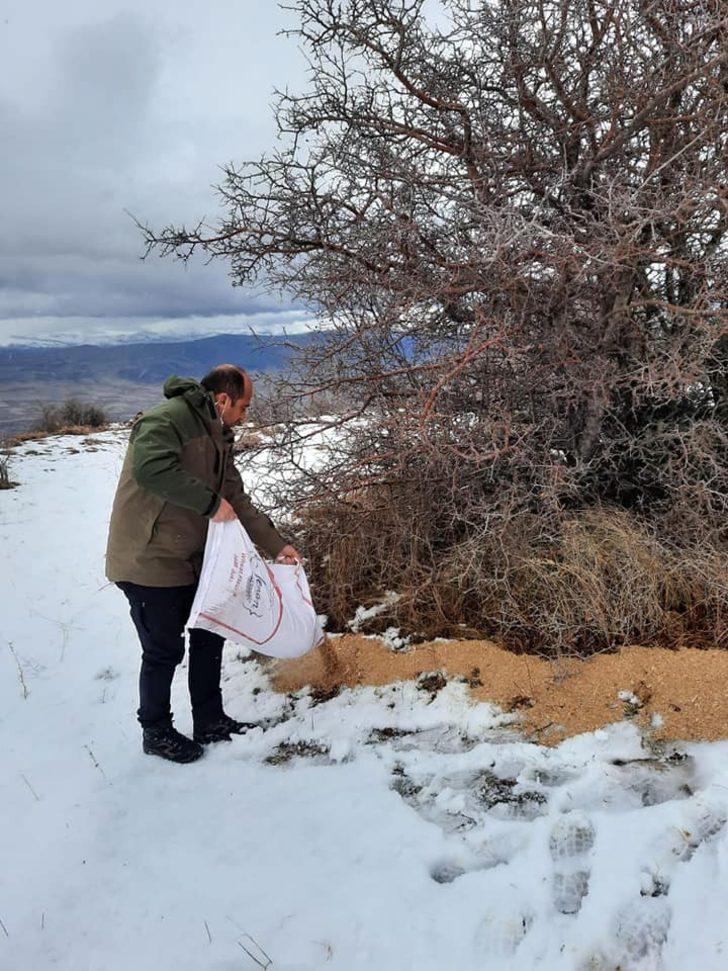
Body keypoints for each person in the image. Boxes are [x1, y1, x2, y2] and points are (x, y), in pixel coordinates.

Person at [106, 364, 300, 763]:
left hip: (193, 558)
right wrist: (210, 504)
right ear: (223, 399)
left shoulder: (218, 435)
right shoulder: (167, 420)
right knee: (163, 650)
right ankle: (156, 732)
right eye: (243, 406)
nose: (246, 416)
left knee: (211, 632)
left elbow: (236, 499)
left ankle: (210, 720)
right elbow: (151, 469)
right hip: (149, 559)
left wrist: (277, 546)